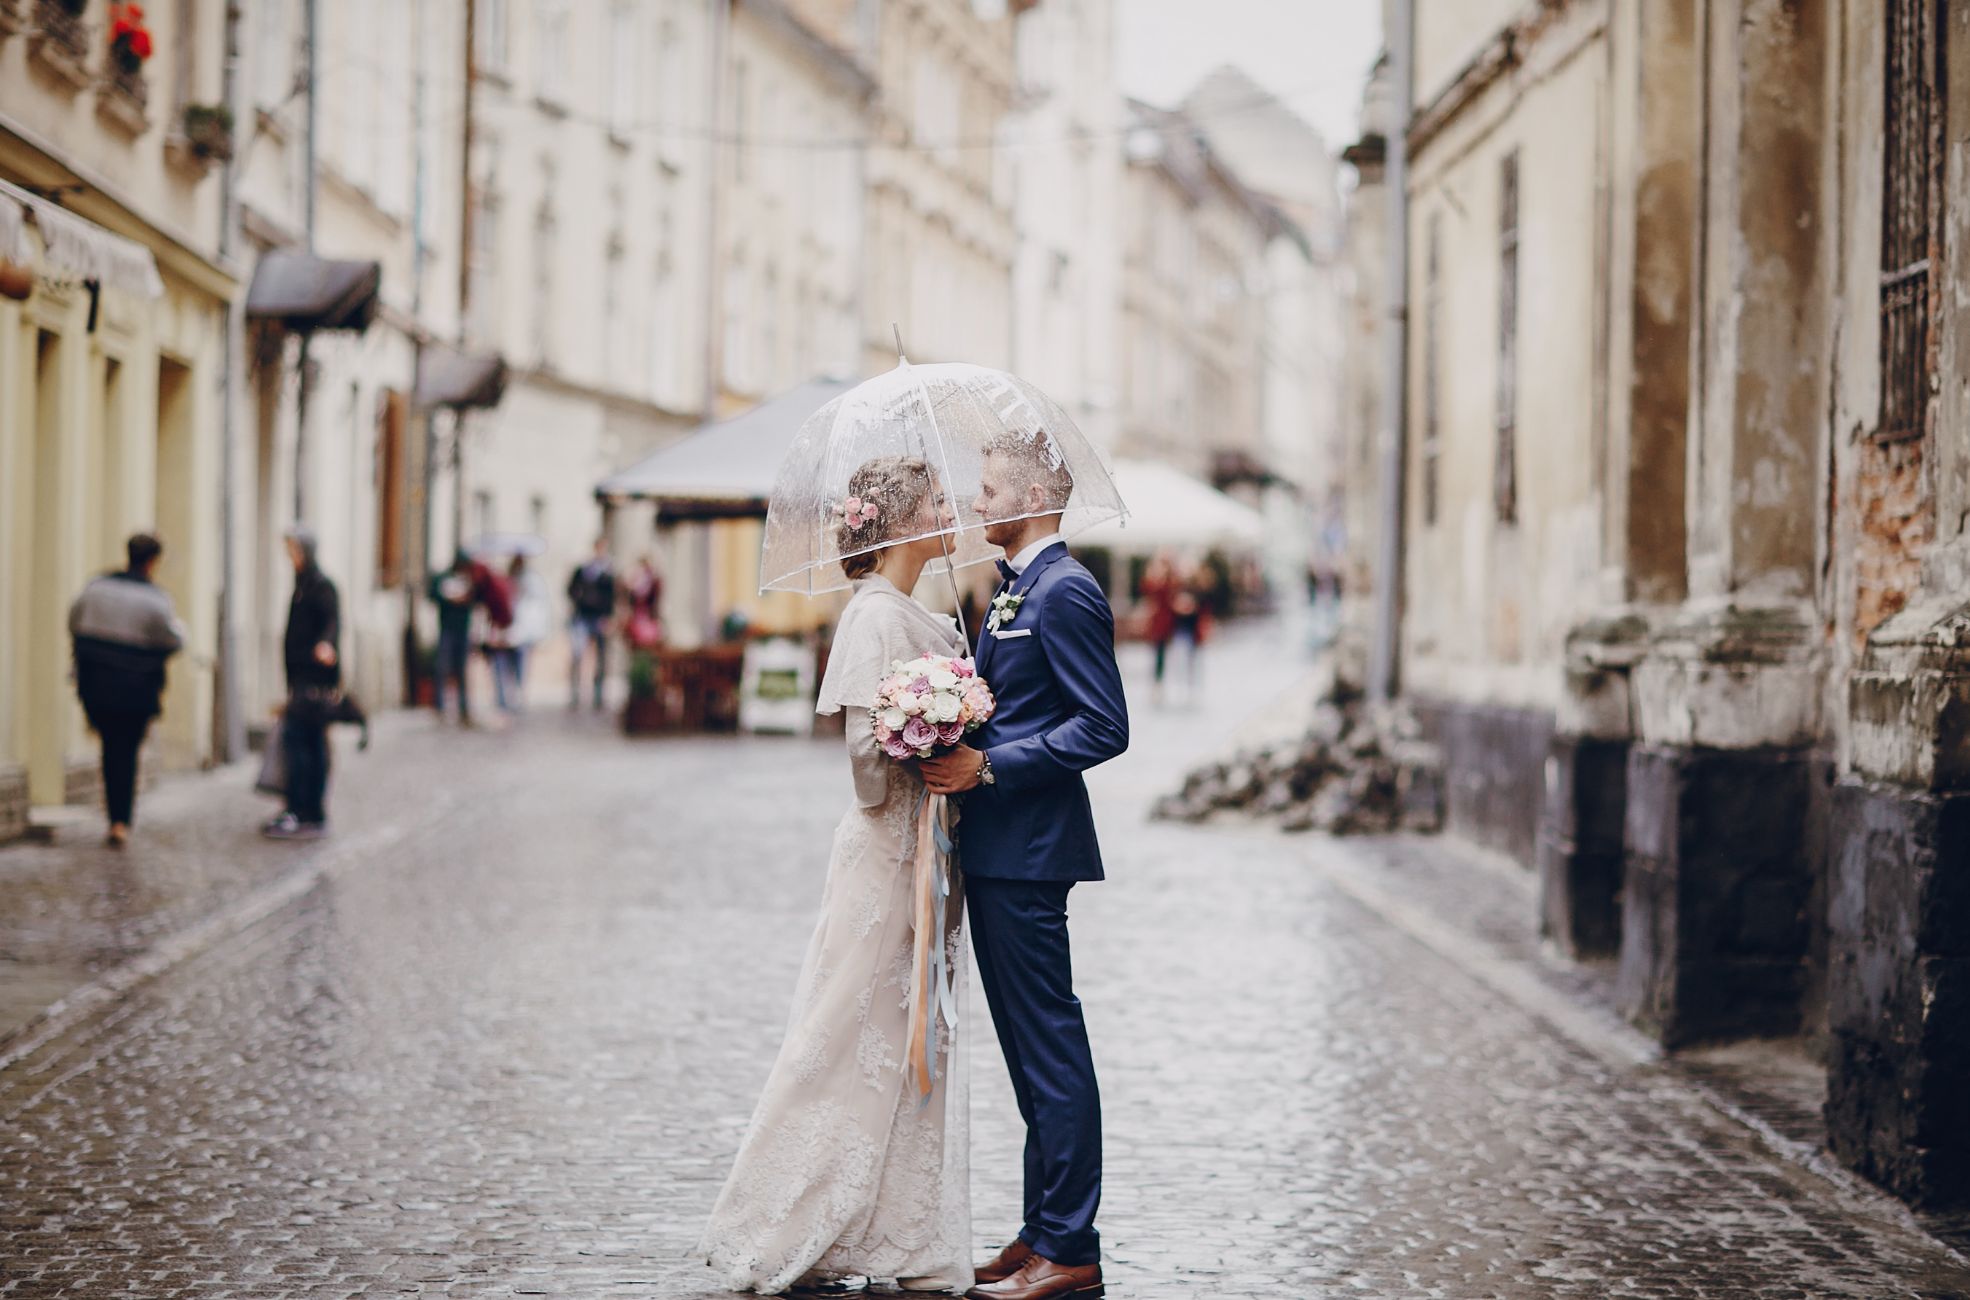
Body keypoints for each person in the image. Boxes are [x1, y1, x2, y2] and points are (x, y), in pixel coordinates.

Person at [701, 456, 974, 1294]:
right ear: (897, 523)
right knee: (843, 1034)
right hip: (886, 856)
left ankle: (898, 1227)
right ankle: (783, 1219)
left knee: (909, 1040)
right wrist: (929, 745)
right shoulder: (872, 618)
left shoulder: (921, 611)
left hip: (928, 851)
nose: (949, 509)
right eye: (935, 500)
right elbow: (863, 765)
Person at [921, 432, 1128, 1300]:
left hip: (1033, 851)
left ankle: (1070, 1246)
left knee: (1050, 1047)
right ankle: (1040, 1230)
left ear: (1036, 496)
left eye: (992, 486)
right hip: (1000, 847)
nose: (977, 501)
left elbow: (1103, 726)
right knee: (1027, 1047)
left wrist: (991, 765)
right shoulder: (1014, 589)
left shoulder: (1067, 590)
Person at [68, 533, 186, 847]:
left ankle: (114, 817)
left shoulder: (96, 588)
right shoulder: (155, 599)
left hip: (97, 687)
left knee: (110, 749)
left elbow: (75, 622)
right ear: (152, 561)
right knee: (127, 751)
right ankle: (121, 820)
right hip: (136, 691)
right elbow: (173, 641)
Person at [264, 525, 339, 840]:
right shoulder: (302, 585)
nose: (290, 557)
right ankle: (301, 808)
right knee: (302, 743)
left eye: (294, 551)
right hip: (300, 678)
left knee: (306, 744)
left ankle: (306, 809)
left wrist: (326, 645)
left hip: (314, 681)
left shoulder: (321, 587)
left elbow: (331, 623)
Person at [428, 551, 481, 724]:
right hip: (447, 628)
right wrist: (449, 599)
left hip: (463, 629)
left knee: (461, 669)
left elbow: (478, 598)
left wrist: (467, 597)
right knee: (442, 667)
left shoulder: (469, 580)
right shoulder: (444, 578)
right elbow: (433, 594)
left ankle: (463, 708)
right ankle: (440, 707)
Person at [493, 553, 549, 712]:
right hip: (506, 628)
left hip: (523, 629)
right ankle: (504, 697)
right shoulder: (505, 580)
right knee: (504, 663)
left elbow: (537, 606)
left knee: (520, 663)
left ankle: (517, 694)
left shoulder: (532, 581)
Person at [566, 537, 616, 710]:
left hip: (599, 617)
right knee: (578, 655)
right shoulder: (583, 570)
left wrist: (608, 617)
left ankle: (598, 695)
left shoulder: (608, 572)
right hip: (582, 617)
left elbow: (613, 596)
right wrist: (579, 598)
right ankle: (575, 694)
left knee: (601, 658)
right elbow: (570, 589)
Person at [1137, 550, 1183, 706]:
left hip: (1166, 623)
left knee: (1161, 654)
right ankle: (1157, 684)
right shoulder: (1157, 582)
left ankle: (1159, 684)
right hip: (1158, 623)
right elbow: (1147, 590)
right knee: (1159, 654)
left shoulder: (1169, 582)